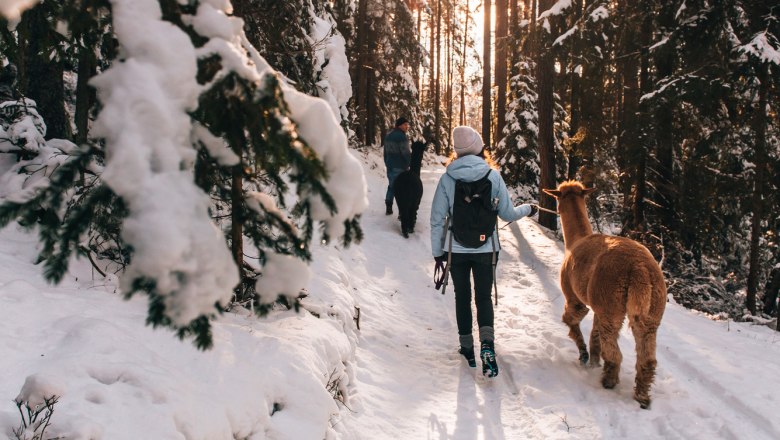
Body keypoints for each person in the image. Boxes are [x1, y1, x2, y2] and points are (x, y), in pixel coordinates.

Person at [430, 125, 537, 378]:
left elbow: (437, 219)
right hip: (486, 249)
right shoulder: (493, 176)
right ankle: (487, 346)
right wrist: (529, 209)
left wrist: (438, 253)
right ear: (478, 147)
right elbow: (508, 213)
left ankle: (467, 347)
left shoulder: (448, 179)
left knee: (462, 297)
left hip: (456, 250)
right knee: (483, 297)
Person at [383, 117, 412, 215]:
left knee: (391, 186)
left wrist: (387, 163)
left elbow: (385, 153)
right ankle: (401, 211)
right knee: (401, 189)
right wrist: (409, 163)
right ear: (399, 125)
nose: (407, 126)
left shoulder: (388, 136)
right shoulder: (401, 137)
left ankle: (388, 206)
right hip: (399, 166)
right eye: (405, 124)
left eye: (407, 124)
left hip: (390, 166)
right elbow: (406, 153)